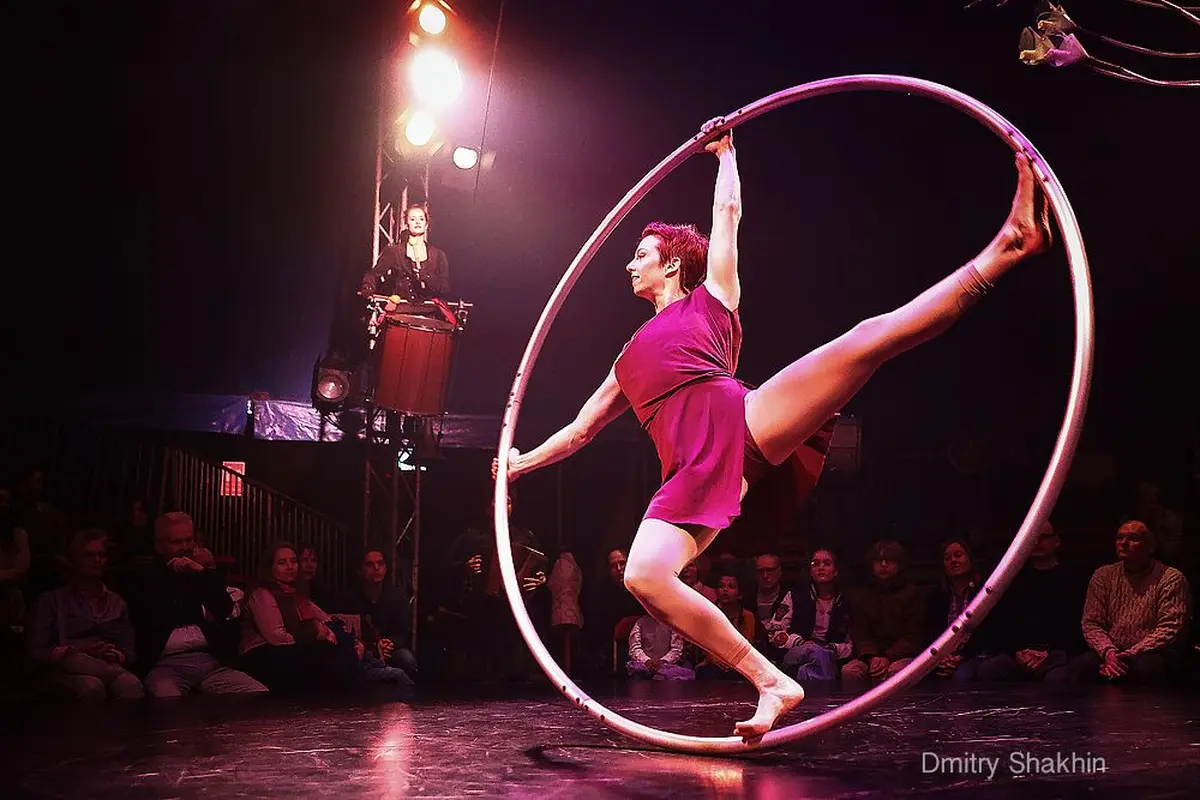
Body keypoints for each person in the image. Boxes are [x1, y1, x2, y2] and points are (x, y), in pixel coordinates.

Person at [494, 119, 1052, 736]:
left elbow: (728, 214)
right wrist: (520, 463)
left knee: (866, 339)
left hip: (744, 422)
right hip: (693, 475)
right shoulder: (627, 359)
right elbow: (579, 430)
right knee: (643, 576)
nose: (629, 265)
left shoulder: (712, 300)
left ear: (673, 262)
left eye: (641, 256)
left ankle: (1007, 247)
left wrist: (725, 151)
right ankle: (771, 681)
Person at [360, 204, 450, 302]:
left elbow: (445, 288)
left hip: (429, 311)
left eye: (421, 219)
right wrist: (368, 287)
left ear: (426, 224)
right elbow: (373, 274)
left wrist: (426, 278)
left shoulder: (439, 255)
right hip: (400, 310)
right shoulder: (395, 251)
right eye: (412, 219)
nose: (417, 222)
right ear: (407, 224)